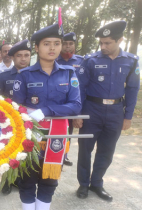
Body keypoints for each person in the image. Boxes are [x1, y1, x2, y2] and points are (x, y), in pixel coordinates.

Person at [13, 23, 81, 209]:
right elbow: (16, 108)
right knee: (27, 178)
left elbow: (75, 105)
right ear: (36, 47)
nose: (52, 48)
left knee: (50, 179)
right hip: (30, 134)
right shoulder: (25, 75)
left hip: (57, 135)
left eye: (57, 43)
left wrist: (46, 111)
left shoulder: (69, 73)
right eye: (46, 44)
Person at [74, 20, 140, 202]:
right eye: (101, 43)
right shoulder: (90, 60)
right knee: (85, 149)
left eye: (108, 43)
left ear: (119, 40)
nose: (103, 46)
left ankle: (97, 183)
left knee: (107, 150)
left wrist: (128, 116)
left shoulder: (131, 61)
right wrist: (78, 114)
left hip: (116, 112)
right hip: (91, 110)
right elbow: (79, 88)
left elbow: (133, 89)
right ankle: (84, 184)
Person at [56, 32, 84, 166]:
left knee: (69, 130)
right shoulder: (54, 60)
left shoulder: (82, 61)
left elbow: (84, 87)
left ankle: (65, 154)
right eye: (65, 44)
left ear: (75, 45)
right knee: (57, 129)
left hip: (74, 102)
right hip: (58, 103)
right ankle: (55, 153)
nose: (67, 47)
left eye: (70, 44)